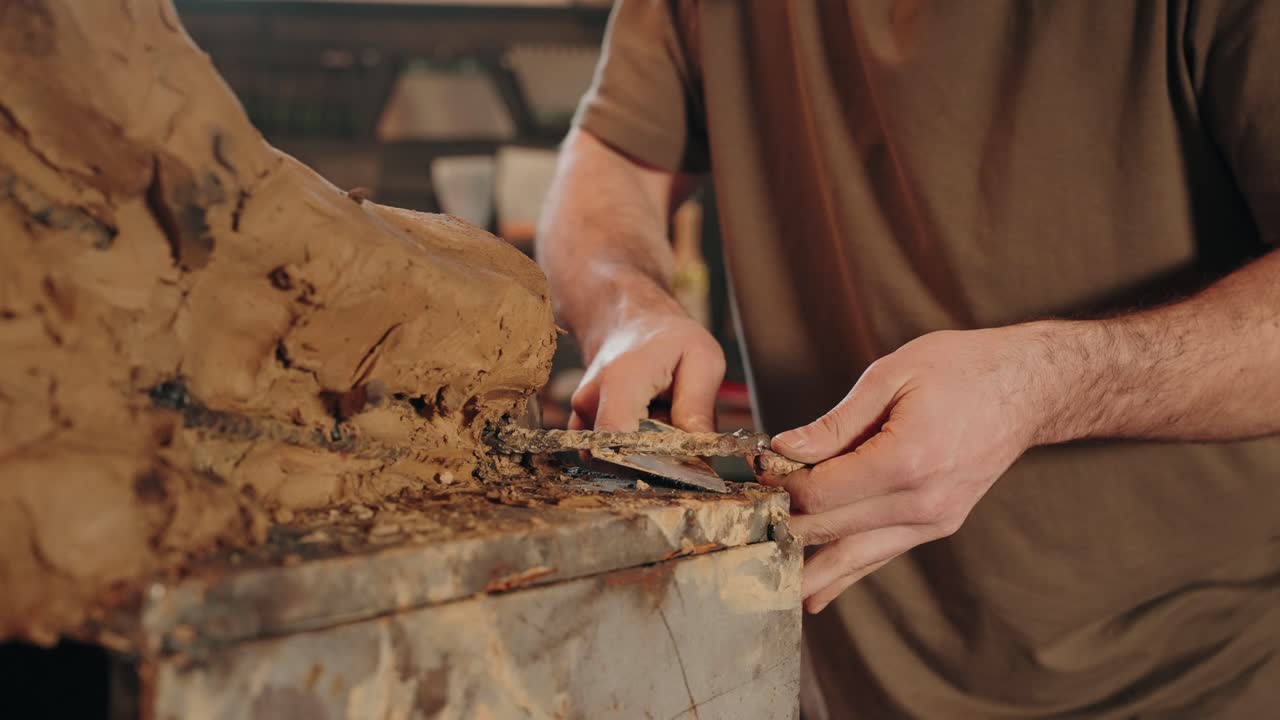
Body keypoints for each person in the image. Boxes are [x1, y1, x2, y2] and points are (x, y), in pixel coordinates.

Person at [535, 1, 1280, 716]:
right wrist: (627, 306)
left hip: (1193, 680)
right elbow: (610, 161)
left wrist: (1038, 389)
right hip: (835, 675)